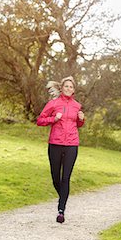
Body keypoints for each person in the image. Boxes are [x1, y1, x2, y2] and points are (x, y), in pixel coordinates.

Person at [37, 76, 85, 223]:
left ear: (74, 90)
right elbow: (40, 120)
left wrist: (81, 119)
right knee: (55, 178)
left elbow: (78, 124)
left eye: (71, 87)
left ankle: (61, 210)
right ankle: (63, 197)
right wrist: (54, 119)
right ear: (62, 88)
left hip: (72, 144)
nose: (69, 89)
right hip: (55, 144)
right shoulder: (53, 104)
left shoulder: (77, 106)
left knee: (66, 178)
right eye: (66, 86)